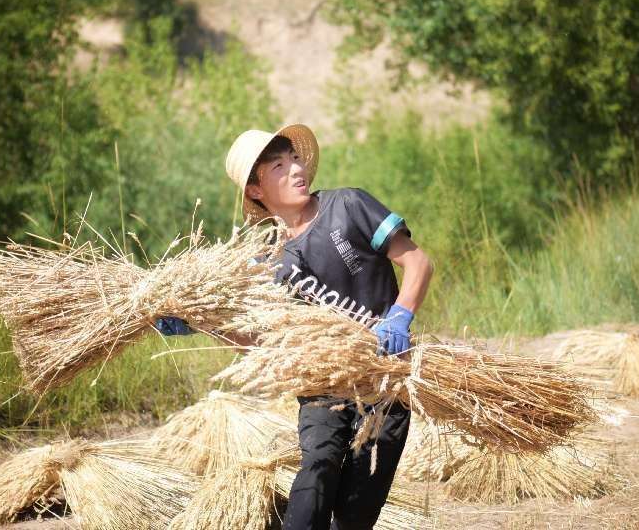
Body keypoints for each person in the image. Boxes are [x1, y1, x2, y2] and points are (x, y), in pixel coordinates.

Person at [158, 124, 434, 530]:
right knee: (317, 469)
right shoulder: (267, 260)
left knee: (356, 511)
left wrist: (400, 315)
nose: (296, 170)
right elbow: (259, 342)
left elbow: (418, 262)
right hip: (322, 384)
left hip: (386, 379)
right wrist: (199, 323)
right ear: (256, 190)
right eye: (279, 166)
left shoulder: (349, 206)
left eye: (296, 160)